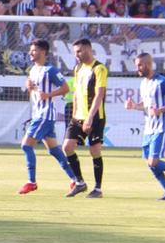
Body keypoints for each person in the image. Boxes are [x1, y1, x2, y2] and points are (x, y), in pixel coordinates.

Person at [126, 52, 165, 201]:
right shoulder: (143, 83)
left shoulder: (162, 82)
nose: (137, 69)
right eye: (136, 66)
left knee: (153, 161)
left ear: (148, 64)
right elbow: (146, 105)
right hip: (148, 128)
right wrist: (134, 106)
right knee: (151, 164)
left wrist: (161, 110)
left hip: (161, 126)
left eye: (139, 65)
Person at [20, 38, 80, 195]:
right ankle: (76, 180)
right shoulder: (33, 69)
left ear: (43, 52)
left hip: (45, 114)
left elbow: (65, 87)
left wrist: (49, 94)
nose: (30, 53)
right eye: (30, 50)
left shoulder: (51, 71)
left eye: (33, 50)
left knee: (26, 145)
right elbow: (32, 84)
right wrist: (29, 86)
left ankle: (31, 182)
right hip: (38, 113)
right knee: (54, 150)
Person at [64, 37, 107, 198]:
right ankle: (80, 183)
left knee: (94, 150)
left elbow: (99, 95)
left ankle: (97, 188)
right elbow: (75, 93)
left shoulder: (99, 69)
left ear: (89, 49)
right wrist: (74, 115)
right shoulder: (78, 68)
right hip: (78, 117)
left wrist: (90, 117)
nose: (77, 54)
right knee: (67, 147)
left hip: (95, 117)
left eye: (79, 51)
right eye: (75, 52)